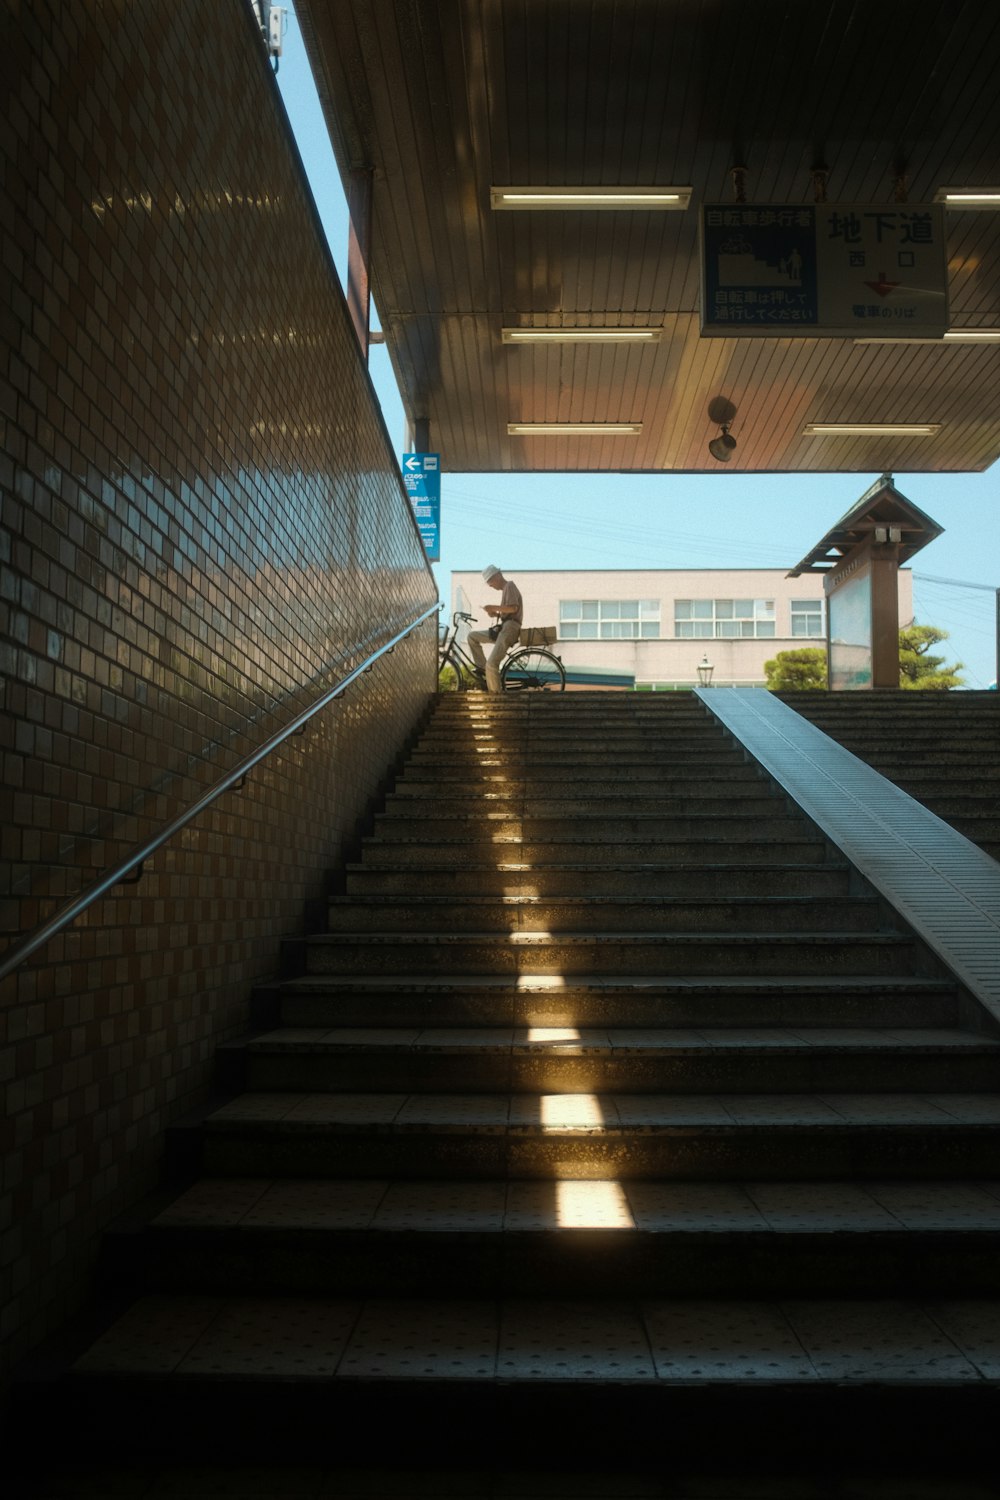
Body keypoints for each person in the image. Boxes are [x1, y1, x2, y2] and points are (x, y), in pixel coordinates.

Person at [467, 565, 523, 691]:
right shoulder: (506, 590)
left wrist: (492, 607)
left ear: (497, 575)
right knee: (472, 636)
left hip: (510, 629)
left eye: (490, 581)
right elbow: (509, 611)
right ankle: (482, 668)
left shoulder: (509, 585)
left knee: (492, 664)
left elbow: (514, 608)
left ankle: (496, 698)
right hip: (505, 627)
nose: (490, 585)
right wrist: (496, 614)